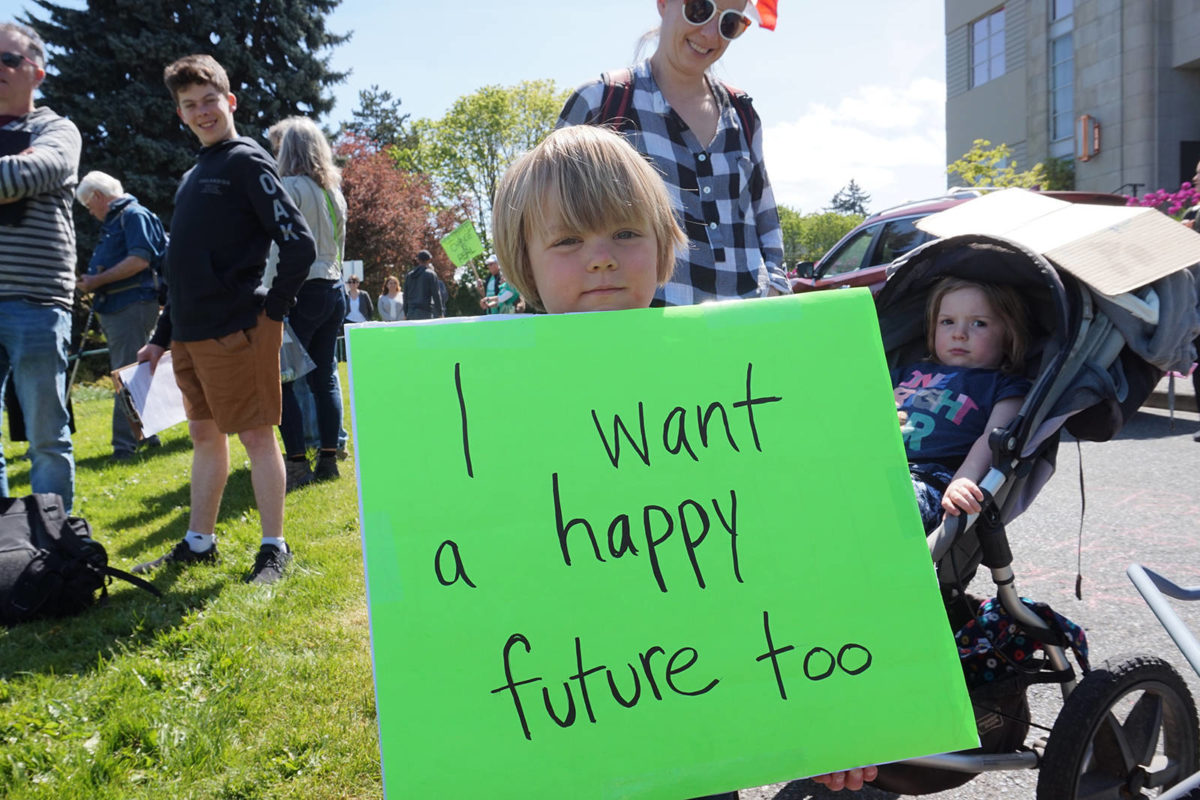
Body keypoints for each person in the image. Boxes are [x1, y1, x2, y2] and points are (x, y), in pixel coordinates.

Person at [492, 124, 877, 796]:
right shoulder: (484, 394)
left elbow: (779, 549)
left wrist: (830, 714)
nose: (602, 258)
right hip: (555, 718)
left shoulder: (726, 381)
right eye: (568, 241)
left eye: (625, 234)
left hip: (695, 710)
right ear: (523, 259)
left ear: (666, 244)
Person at [133, 54, 316, 585]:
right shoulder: (194, 174)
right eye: (189, 105)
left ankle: (273, 548)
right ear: (180, 115)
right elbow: (180, 266)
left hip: (237, 330)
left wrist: (272, 311)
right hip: (189, 336)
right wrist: (160, 338)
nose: (201, 111)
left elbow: (299, 244)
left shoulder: (246, 161)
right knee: (205, 438)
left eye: (209, 99)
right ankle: (199, 542)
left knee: (258, 438)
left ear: (229, 101)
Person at [557, 0, 788, 308]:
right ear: (663, 4)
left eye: (729, 23)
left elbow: (765, 217)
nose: (709, 34)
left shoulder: (743, 114)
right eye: (698, 9)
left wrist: (775, 287)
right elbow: (549, 226)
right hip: (642, 339)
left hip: (746, 336)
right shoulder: (600, 104)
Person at [0, 21, 80, 512]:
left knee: (47, 439)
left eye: (8, 60)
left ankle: (54, 553)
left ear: (38, 72)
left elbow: (33, 171)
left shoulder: (58, 129)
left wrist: (17, 169)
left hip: (38, 303)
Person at [893, 278, 1031, 534]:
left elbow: (993, 439)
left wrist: (964, 479)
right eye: (947, 322)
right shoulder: (905, 373)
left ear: (1008, 334)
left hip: (932, 480)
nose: (959, 333)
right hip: (875, 466)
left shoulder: (1003, 386)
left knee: (886, 498)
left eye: (978, 323)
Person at [262, 116, 347, 490]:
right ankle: (329, 457)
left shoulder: (288, 188)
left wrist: (267, 295)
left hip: (299, 289)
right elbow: (341, 246)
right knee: (325, 377)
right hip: (333, 288)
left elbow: (277, 248)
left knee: (281, 380)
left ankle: (296, 463)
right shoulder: (334, 192)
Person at [74, 170, 166, 460]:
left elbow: (139, 260)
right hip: (121, 306)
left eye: (89, 206)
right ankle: (148, 436)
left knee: (124, 375)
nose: (91, 213)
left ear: (99, 196)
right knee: (134, 373)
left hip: (131, 304)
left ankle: (124, 448)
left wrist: (95, 282)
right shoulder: (121, 218)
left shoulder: (132, 215)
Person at [403, 249, 445, 320]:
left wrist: (405, 312)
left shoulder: (409, 275)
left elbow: (405, 296)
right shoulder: (431, 274)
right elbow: (436, 295)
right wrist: (440, 313)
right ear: (429, 260)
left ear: (418, 260)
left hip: (411, 312)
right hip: (425, 312)